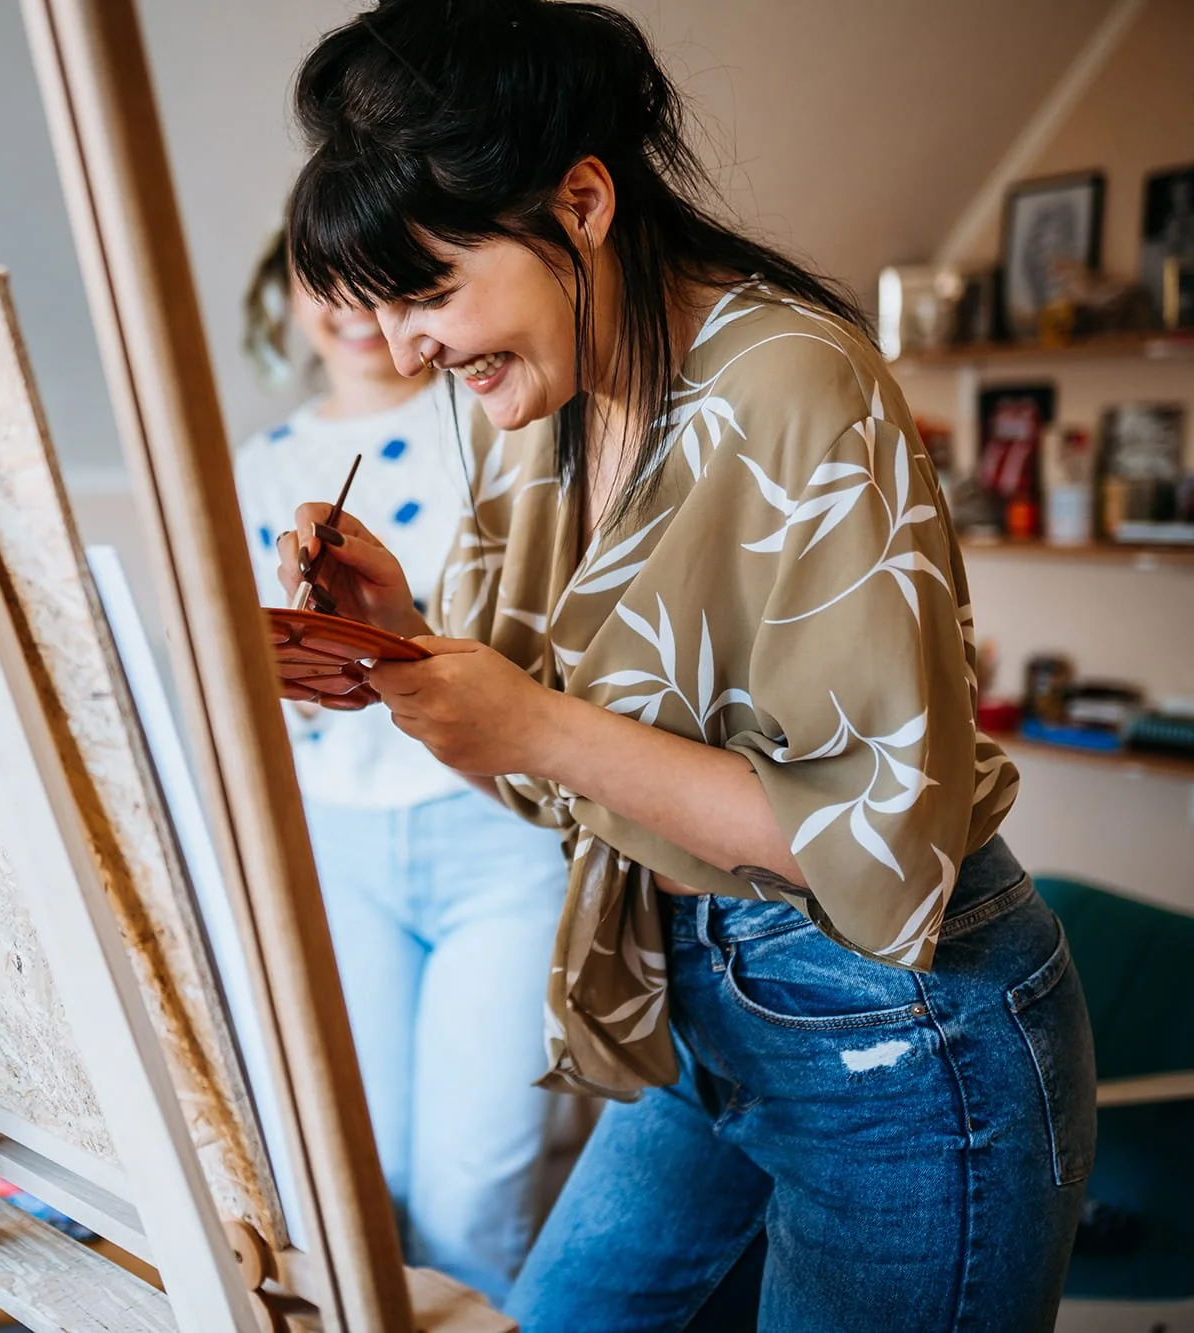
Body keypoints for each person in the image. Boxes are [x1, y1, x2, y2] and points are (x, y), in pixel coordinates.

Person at [273, 3, 1096, 1330]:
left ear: (583, 202)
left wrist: (528, 722)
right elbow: (563, 780)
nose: (410, 346)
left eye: (431, 292)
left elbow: (883, 856)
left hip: (904, 1037)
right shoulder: (536, 407)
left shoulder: (792, 386)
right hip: (699, 993)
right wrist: (405, 639)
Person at [233, 229, 570, 1301]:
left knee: (473, 1192)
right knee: (357, 1181)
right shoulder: (254, 462)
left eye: (375, 279)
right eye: (319, 278)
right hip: (333, 842)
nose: (347, 302)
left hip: (494, 831)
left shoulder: (494, 420)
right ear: (281, 294)